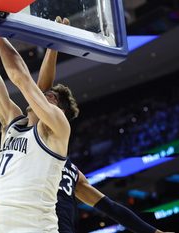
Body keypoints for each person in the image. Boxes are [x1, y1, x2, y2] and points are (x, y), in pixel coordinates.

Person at [37, 18, 173, 233]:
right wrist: (53, 47)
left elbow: (111, 207)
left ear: (61, 115)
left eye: (51, 100)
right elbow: (36, 90)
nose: (43, 101)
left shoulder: (70, 171)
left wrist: (153, 232)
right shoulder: (29, 137)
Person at [0, 34, 79, 232]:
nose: (41, 95)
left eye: (49, 96)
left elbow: (21, 77)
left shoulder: (56, 128)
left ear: (59, 110)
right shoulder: (12, 122)